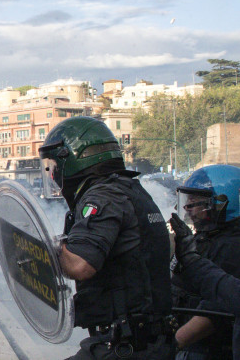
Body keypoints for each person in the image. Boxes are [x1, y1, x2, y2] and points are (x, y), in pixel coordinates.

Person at [39, 116, 174, 359]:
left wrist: (41, 247)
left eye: (55, 165)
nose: (53, 174)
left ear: (73, 158)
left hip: (127, 345)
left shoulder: (103, 196)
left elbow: (80, 265)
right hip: (144, 340)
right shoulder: (132, 190)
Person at [172, 165, 240, 359]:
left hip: (203, 349)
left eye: (195, 203)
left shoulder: (232, 246)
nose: (188, 210)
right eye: (187, 203)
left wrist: (175, 342)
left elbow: (216, 309)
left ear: (222, 203)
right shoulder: (203, 238)